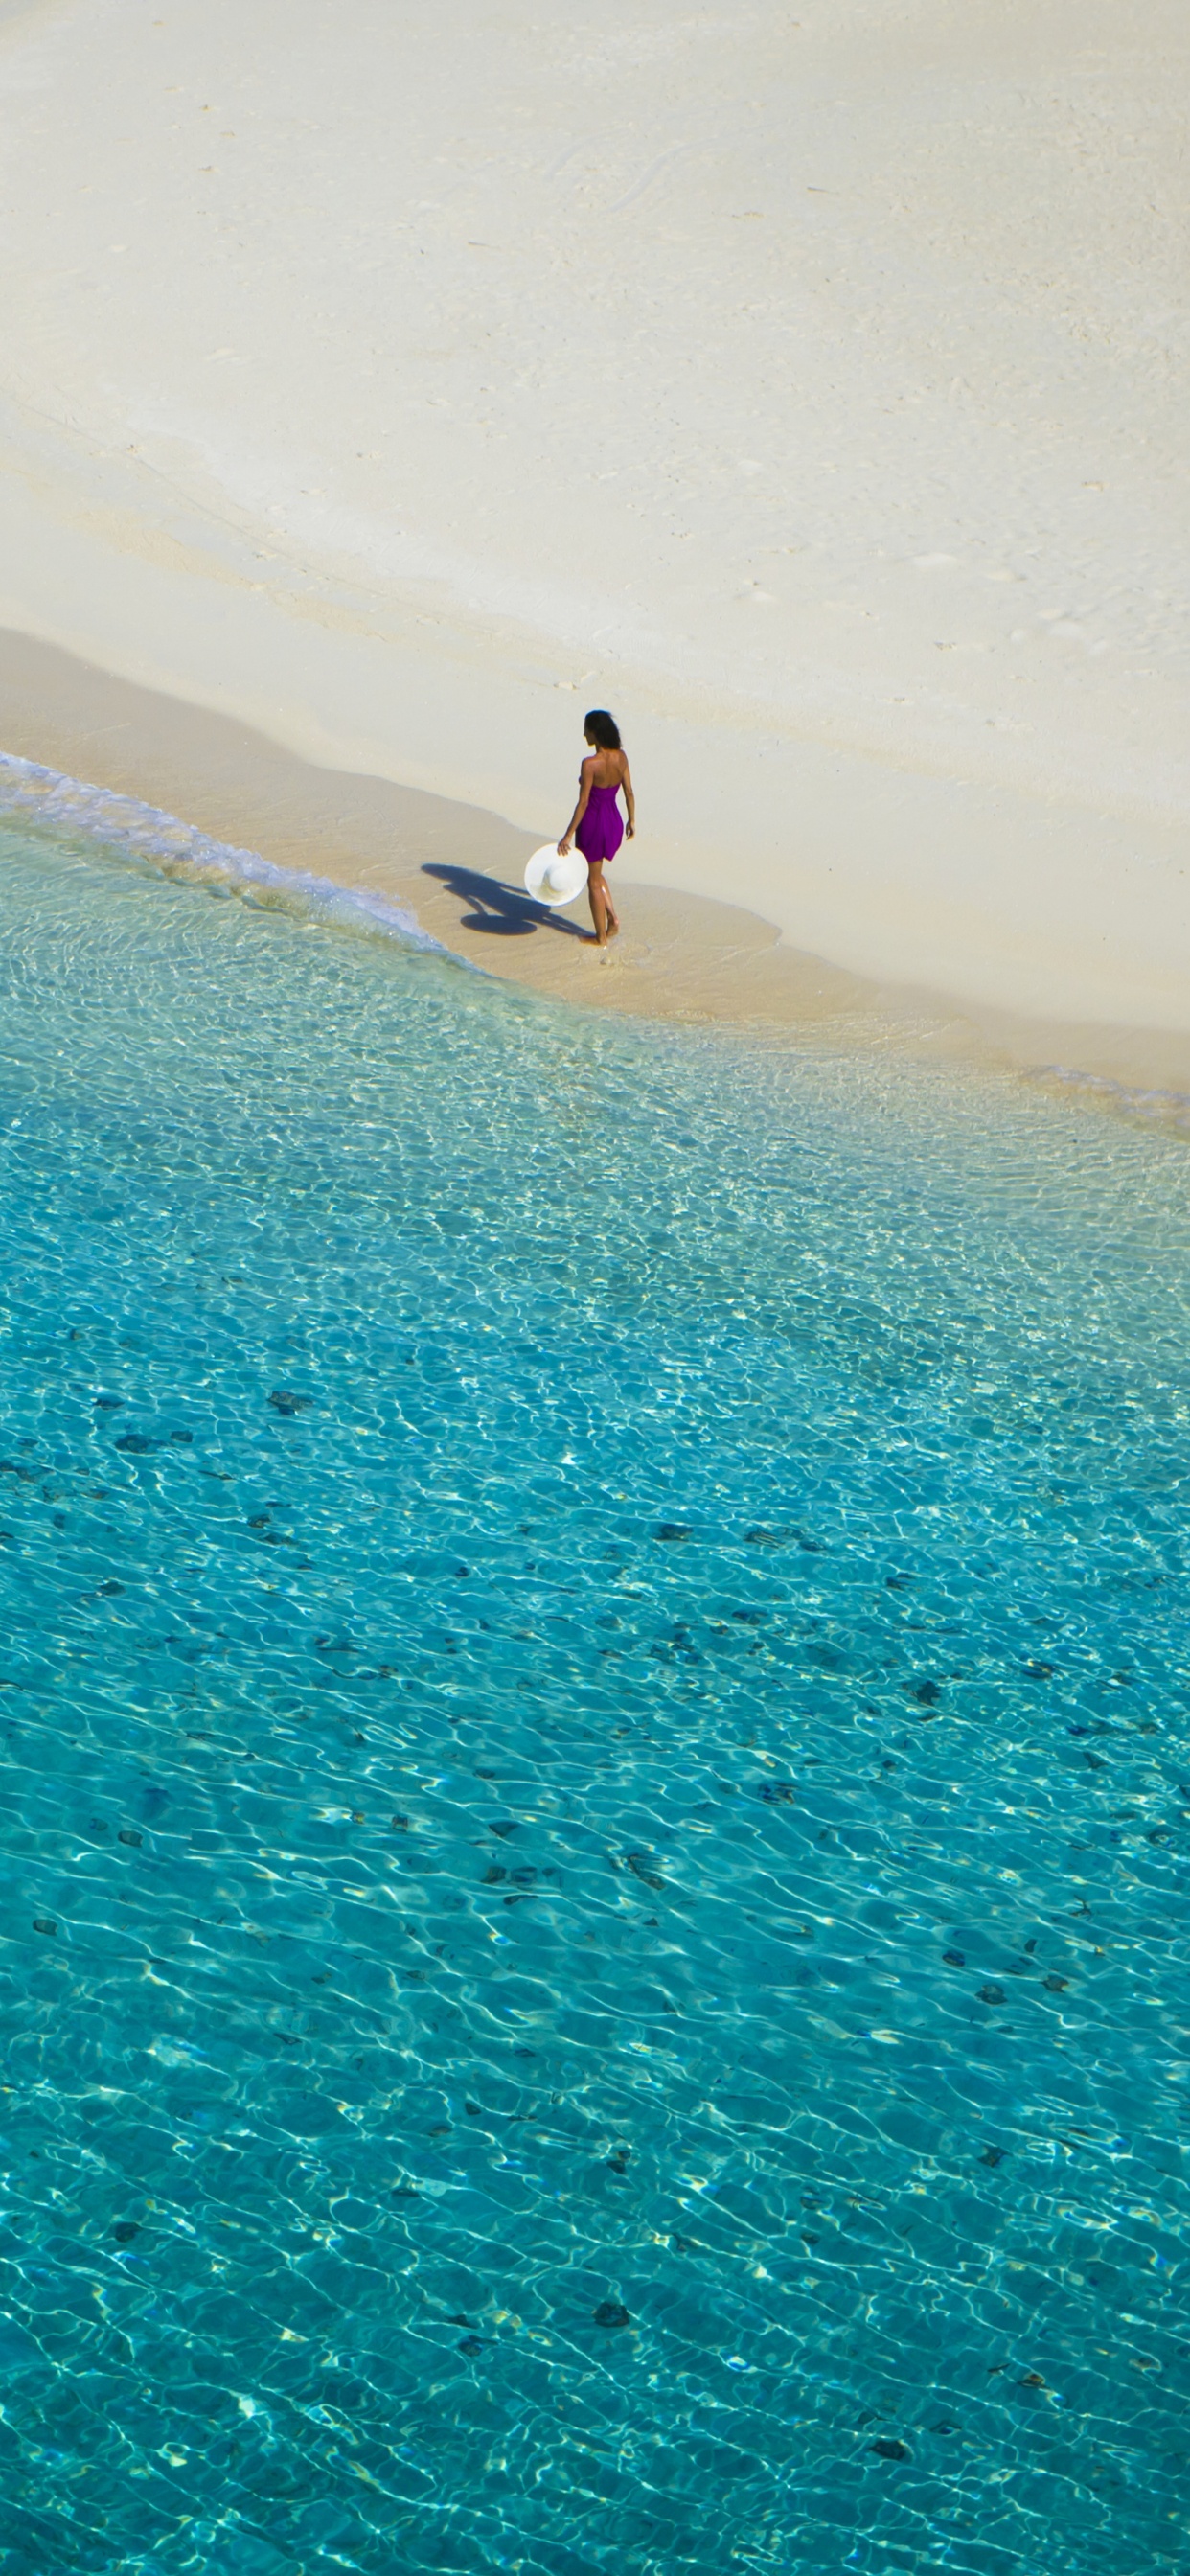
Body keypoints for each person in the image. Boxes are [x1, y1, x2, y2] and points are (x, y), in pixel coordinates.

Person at [558, 710, 635, 947]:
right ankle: (613, 918)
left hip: (593, 822)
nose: (584, 734)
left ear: (596, 733)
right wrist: (632, 820)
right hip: (613, 820)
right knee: (596, 873)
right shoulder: (621, 757)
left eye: (587, 730)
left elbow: (583, 802)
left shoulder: (590, 764)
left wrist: (568, 834)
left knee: (592, 881)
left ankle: (601, 937)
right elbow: (629, 792)